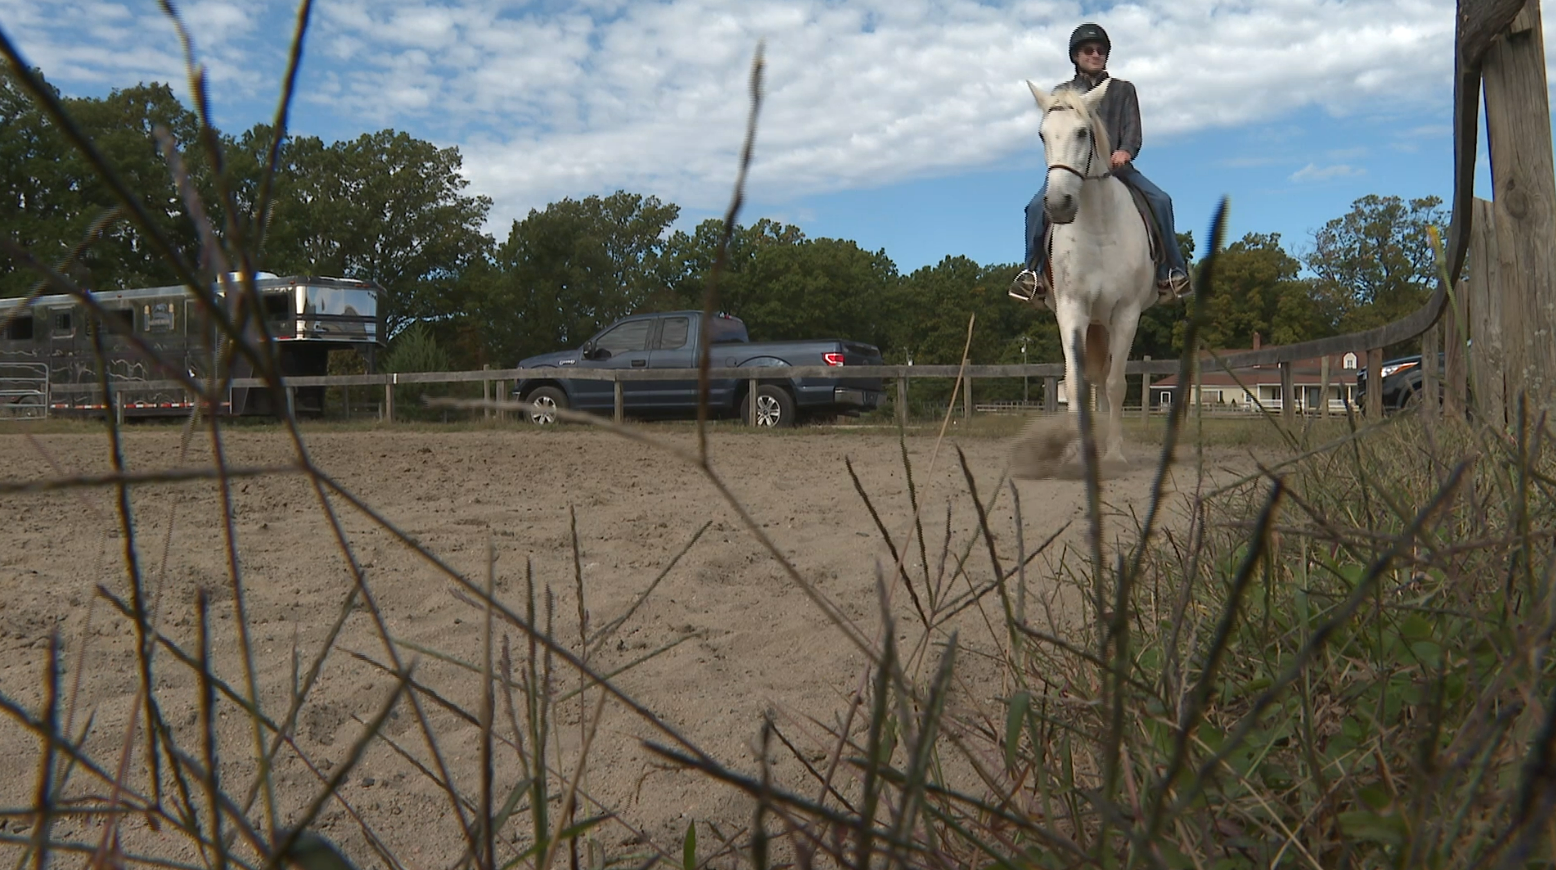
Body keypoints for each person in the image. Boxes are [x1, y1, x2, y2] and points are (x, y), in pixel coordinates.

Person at [1010, 23, 1191, 304]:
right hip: (1073, 170)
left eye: (1100, 50)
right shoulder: (1063, 92)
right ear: (1075, 56)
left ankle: (1171, 271)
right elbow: (1057, 130)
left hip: (1118, 169)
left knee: (1161, 201)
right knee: (1035, 208)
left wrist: (1126, 151)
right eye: (1088, 50)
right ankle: (1032, 274)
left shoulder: (1123, 90)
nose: (1095, 54)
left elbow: (1133, 130)